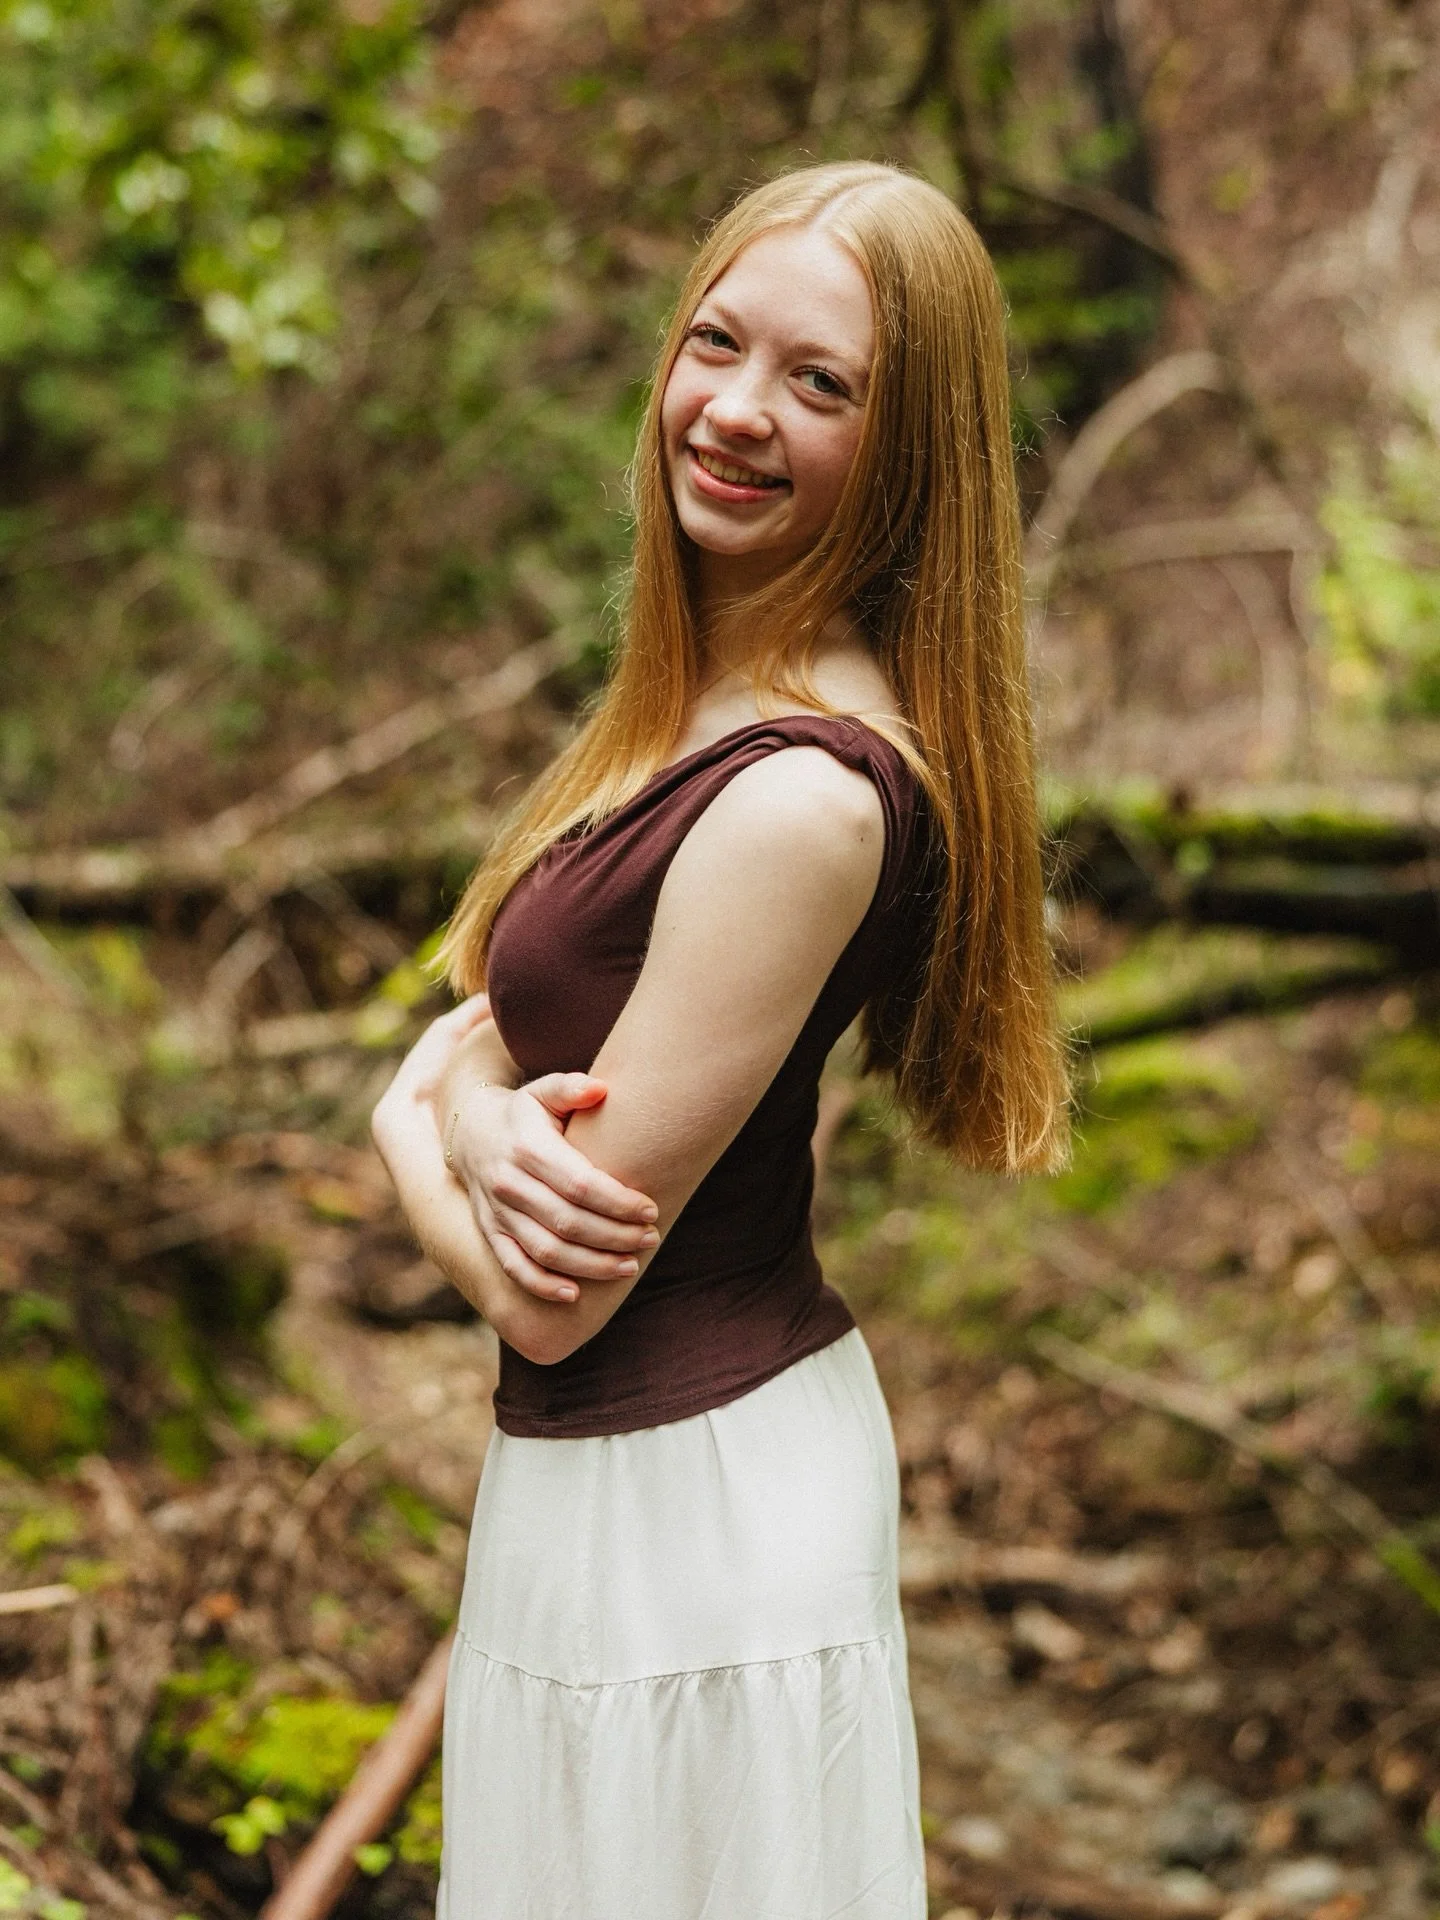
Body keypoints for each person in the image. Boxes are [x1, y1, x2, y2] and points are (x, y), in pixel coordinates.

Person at [372, 159, 1068, 1920]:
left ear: (908, 449)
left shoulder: (802, 802)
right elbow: (505, 1022)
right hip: (603, 1496)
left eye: (819, 382)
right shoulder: (700, 701)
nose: (737, 409)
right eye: (717, 343)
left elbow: (553, 1296)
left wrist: (412, 1126)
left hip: (696, 1518)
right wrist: (469, 1106)